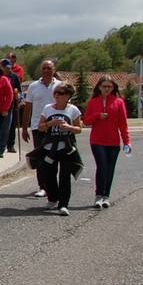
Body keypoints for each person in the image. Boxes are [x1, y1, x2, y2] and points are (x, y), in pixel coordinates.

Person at [35, 82, 82, 215]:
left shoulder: (73, 110)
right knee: (49, 173)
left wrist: (69, 127)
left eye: (61, 94)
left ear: (68, 96)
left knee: (65, 176)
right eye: (56, 93)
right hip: (50, 148)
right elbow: (40, 127)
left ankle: (63, 204)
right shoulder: (48, 108)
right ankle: (52, 198)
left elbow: (79, 129)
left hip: (66, 148)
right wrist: (50, 123)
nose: (57, 96)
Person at [84, 75, 131, 208]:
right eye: (104, 86)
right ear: (99, 87)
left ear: (113, 88)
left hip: (113, 142)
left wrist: (127, 142)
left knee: (110, 169)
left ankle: (106, 196)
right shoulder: (93, 102)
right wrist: (97, 116)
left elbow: (123, 124)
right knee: (102, 167)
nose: (107, 89)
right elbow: (86, 121)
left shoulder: (118, 102)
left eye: (109, 86)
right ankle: (98, 195)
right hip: (97, 141)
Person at [20, 59, 62, 198]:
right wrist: (24, 128)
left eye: (49, 68)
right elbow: (28, 107)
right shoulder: (33, 86)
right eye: (44, 68)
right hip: (38, 126)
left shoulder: (60, 86)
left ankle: (52, 185)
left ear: (54, 69)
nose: (46, 71)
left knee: (53, 157)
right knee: (40, 157)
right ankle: (42, 186)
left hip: (56, 126)